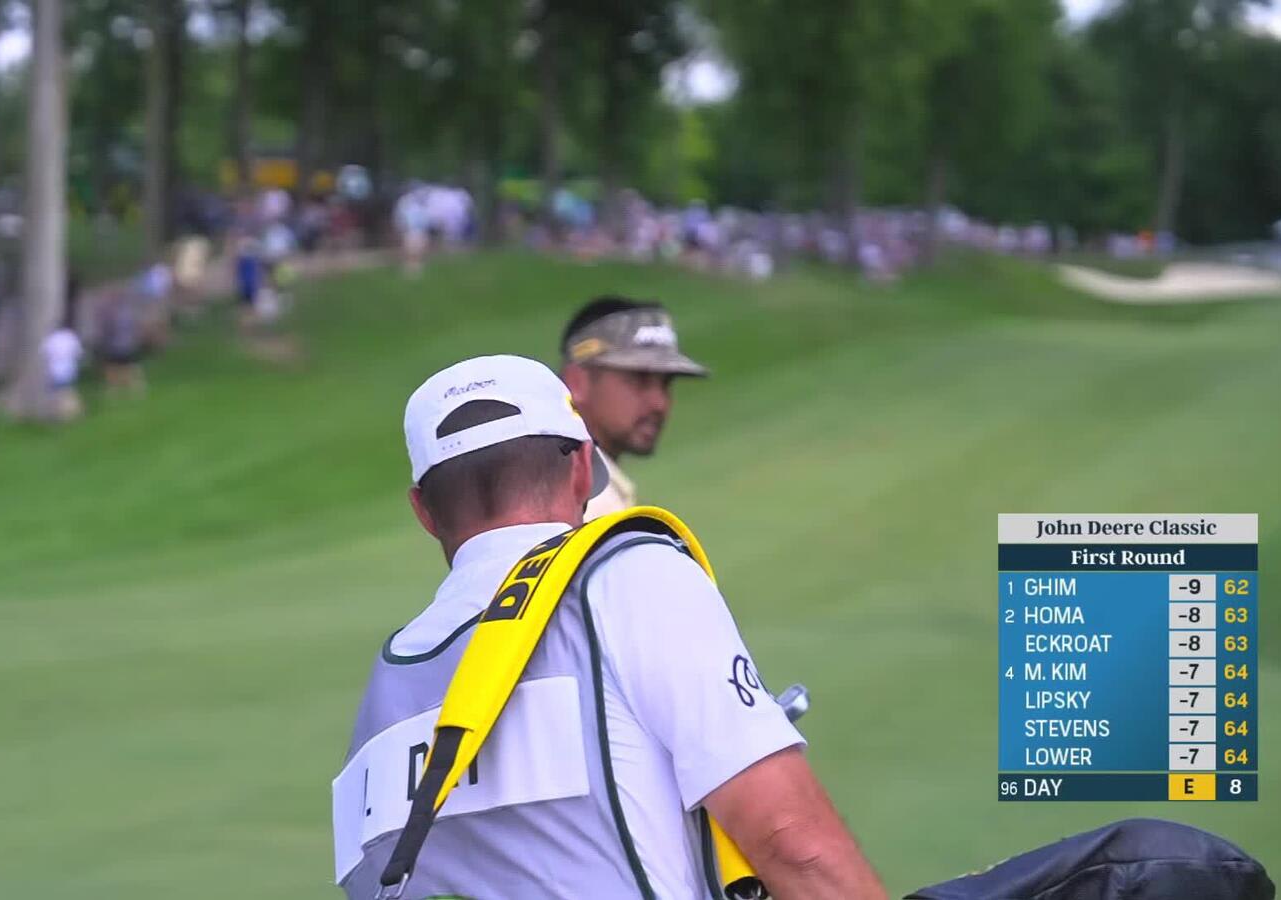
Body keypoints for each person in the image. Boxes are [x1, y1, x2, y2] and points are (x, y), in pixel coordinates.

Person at [332, 354, 884, 899]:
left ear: (424, 512)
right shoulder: (628, 576)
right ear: (580, 470)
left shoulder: (384, 692)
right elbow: (795, 846)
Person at [558, 297, 708, 519]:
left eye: (666, 383)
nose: (660, 403)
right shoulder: (583, 503)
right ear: (578, 382)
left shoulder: (559, 479)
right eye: (639, 380)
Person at [40, 315, 84, 420]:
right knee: (67, 391)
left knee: (57, 393)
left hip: (54, 369)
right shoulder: (71, 337)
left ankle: (62, 413)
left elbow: (44, 352)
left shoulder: (51, 338)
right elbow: (79, 353)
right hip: (69, 368)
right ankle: (70, 412)